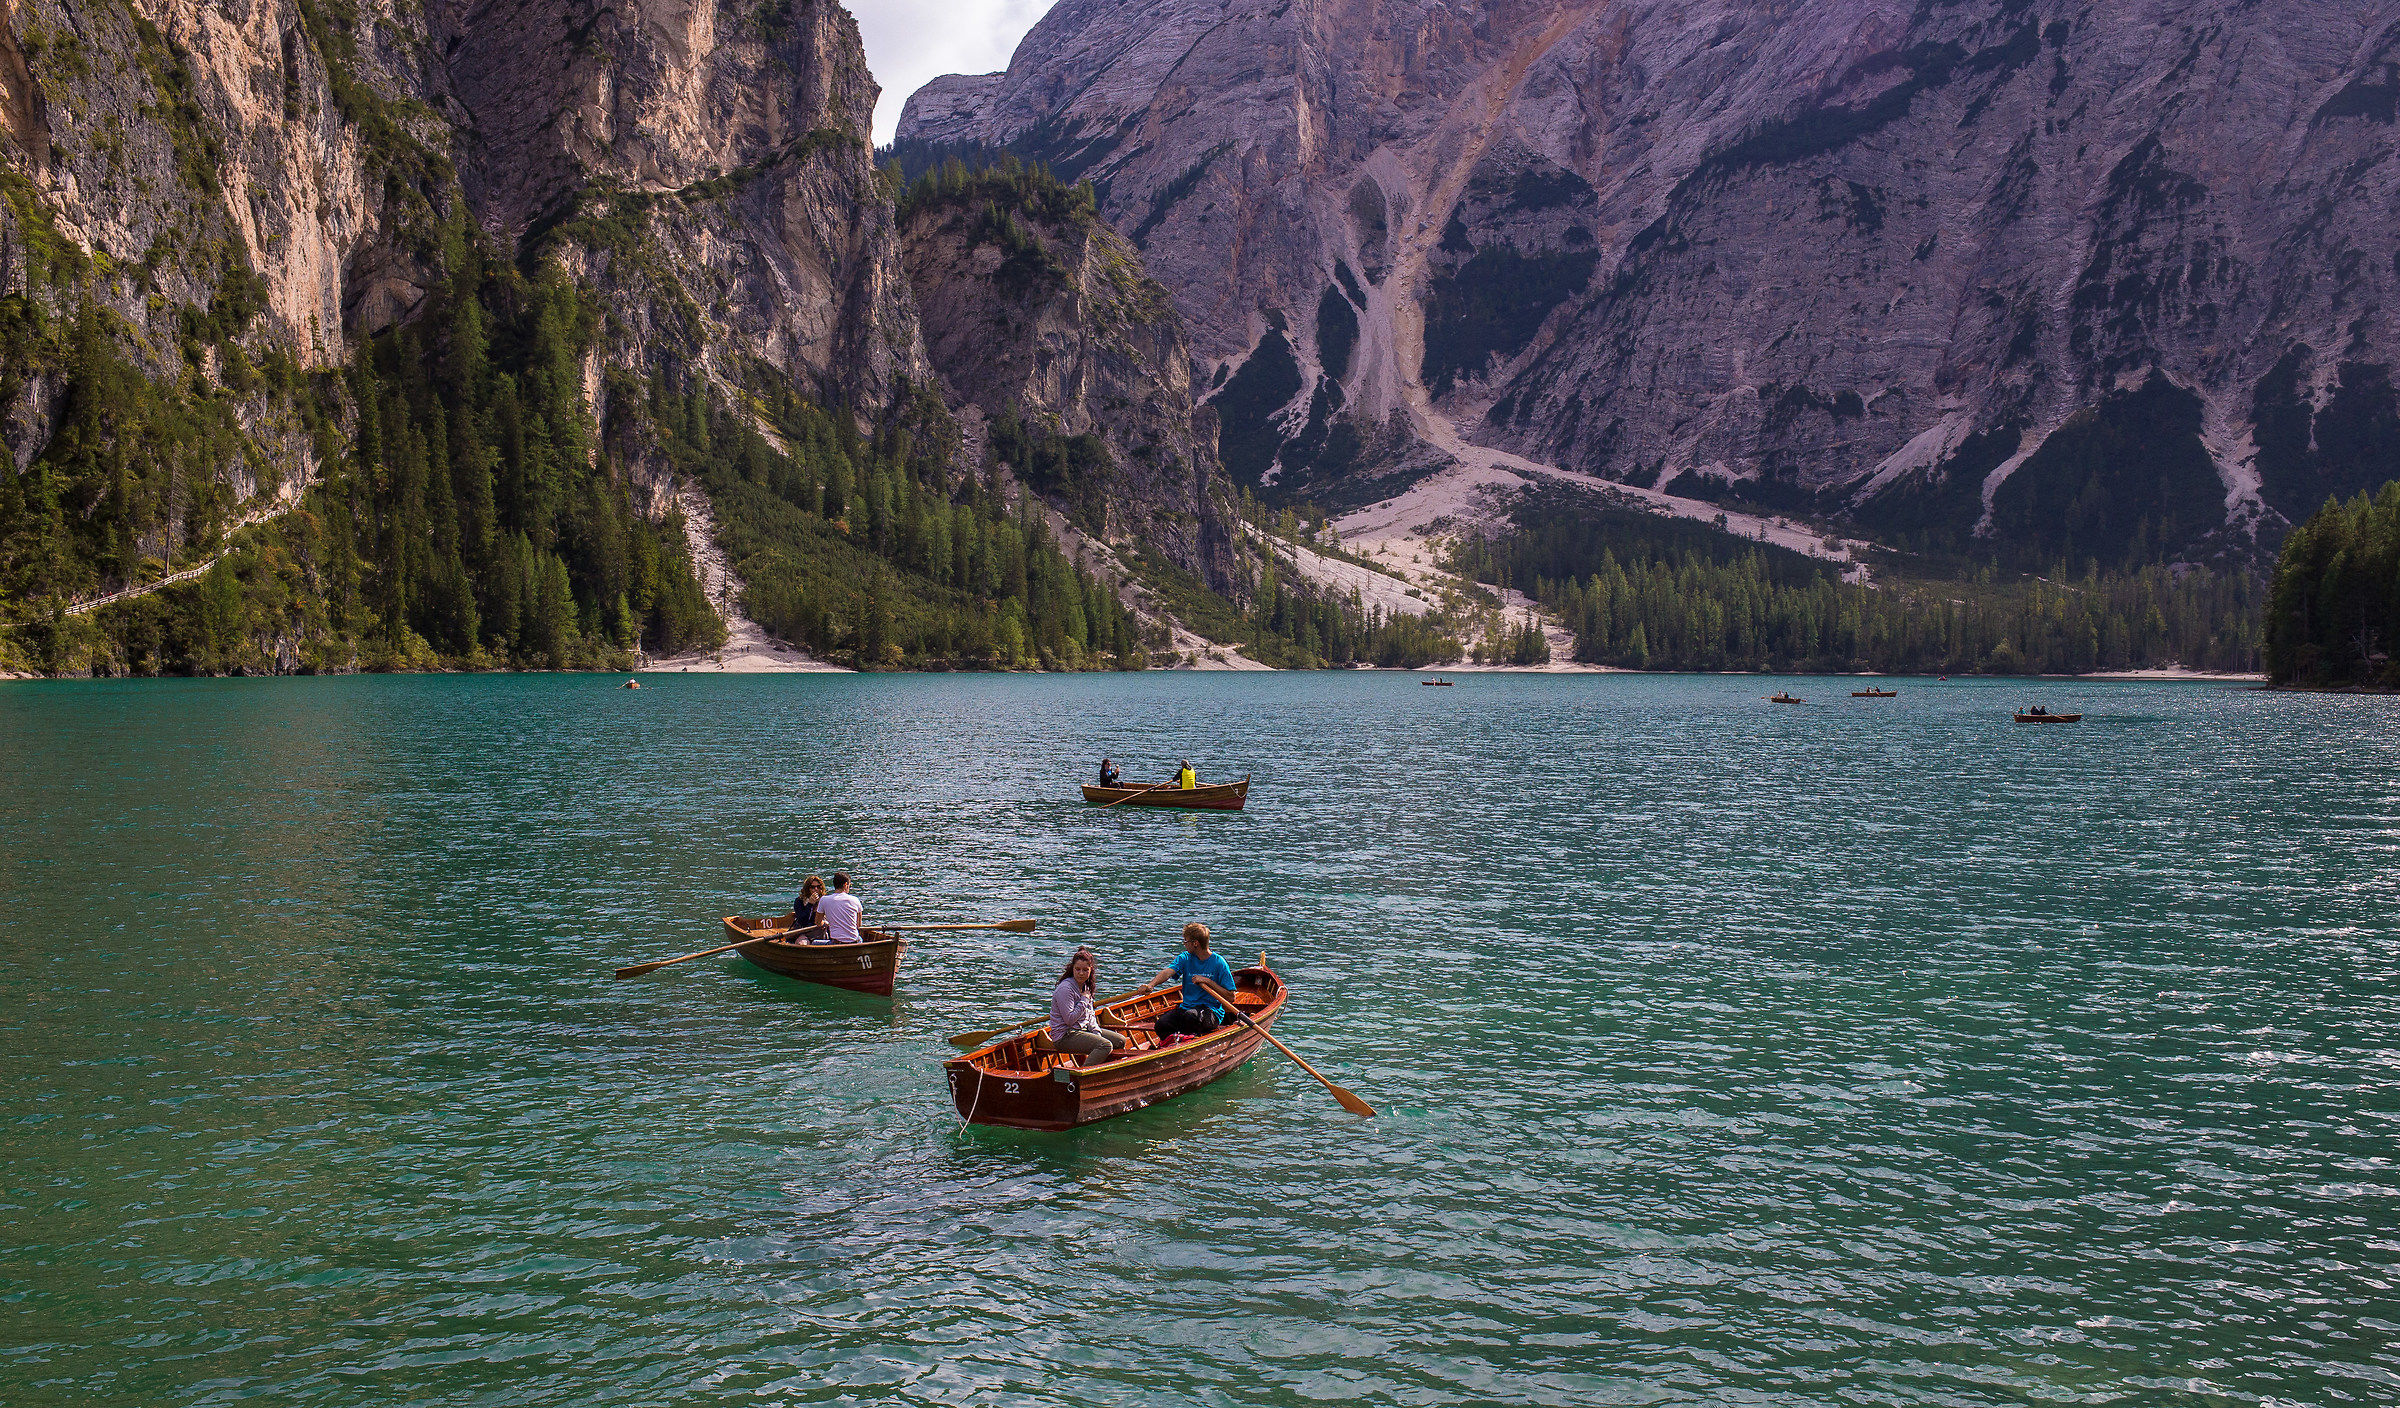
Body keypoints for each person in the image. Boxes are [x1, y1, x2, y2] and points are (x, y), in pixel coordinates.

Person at [1147, 922, 1236, 1040]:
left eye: (1186, 941)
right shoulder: (1185, 958)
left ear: (1195, 943)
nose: (1184, 945)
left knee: (1190, 1017)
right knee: (1161, 1025)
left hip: (1211, 1012)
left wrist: (1208, 981)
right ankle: (1174, 1043)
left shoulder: (1219, 963)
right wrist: (1151, 985)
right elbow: (1168, 972)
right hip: (1186, 1008)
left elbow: (1231, 997)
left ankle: (1188, 1041)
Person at [1048, 948, 1130, 1066]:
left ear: (1091, 970)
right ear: (1072, 969)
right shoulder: (1065, 989)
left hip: (1083, 1028)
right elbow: (1069, 1020)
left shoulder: (1086, 986)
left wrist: (1096, 1032)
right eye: (1077, 969)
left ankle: (1104, 1068)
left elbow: (1090, 1015)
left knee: (1120, 1041)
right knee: (1105, 1045)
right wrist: (1084, 1000)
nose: (1081, 973)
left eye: (1085, 970)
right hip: (1065, 1035)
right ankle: (1083, 1073)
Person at [816, 872, 865, 944]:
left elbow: (818, 922)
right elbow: (858, 925)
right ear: (845, 885)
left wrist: (825, 923)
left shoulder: (824, 900)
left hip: (836, 943)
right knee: (860, 938)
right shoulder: (855, 900)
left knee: (814, 943)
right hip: (854, 941)